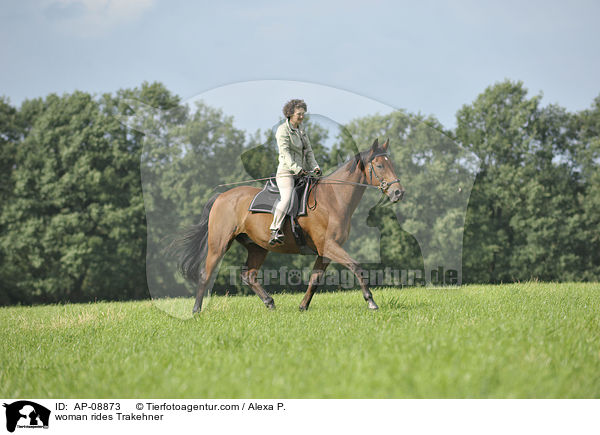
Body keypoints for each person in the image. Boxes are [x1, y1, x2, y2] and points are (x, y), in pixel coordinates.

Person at [269, 99, 321, 245]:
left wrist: (316, 167)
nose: (302, 117)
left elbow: (309, 152)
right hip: (287, 172)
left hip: (302, 173)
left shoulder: (302, 131)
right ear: (290, 113)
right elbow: (285, 153)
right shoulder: (282, 130)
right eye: (299, 114)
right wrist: (296, 169)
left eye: (303, 114)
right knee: (287, 197)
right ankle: (275, 229)